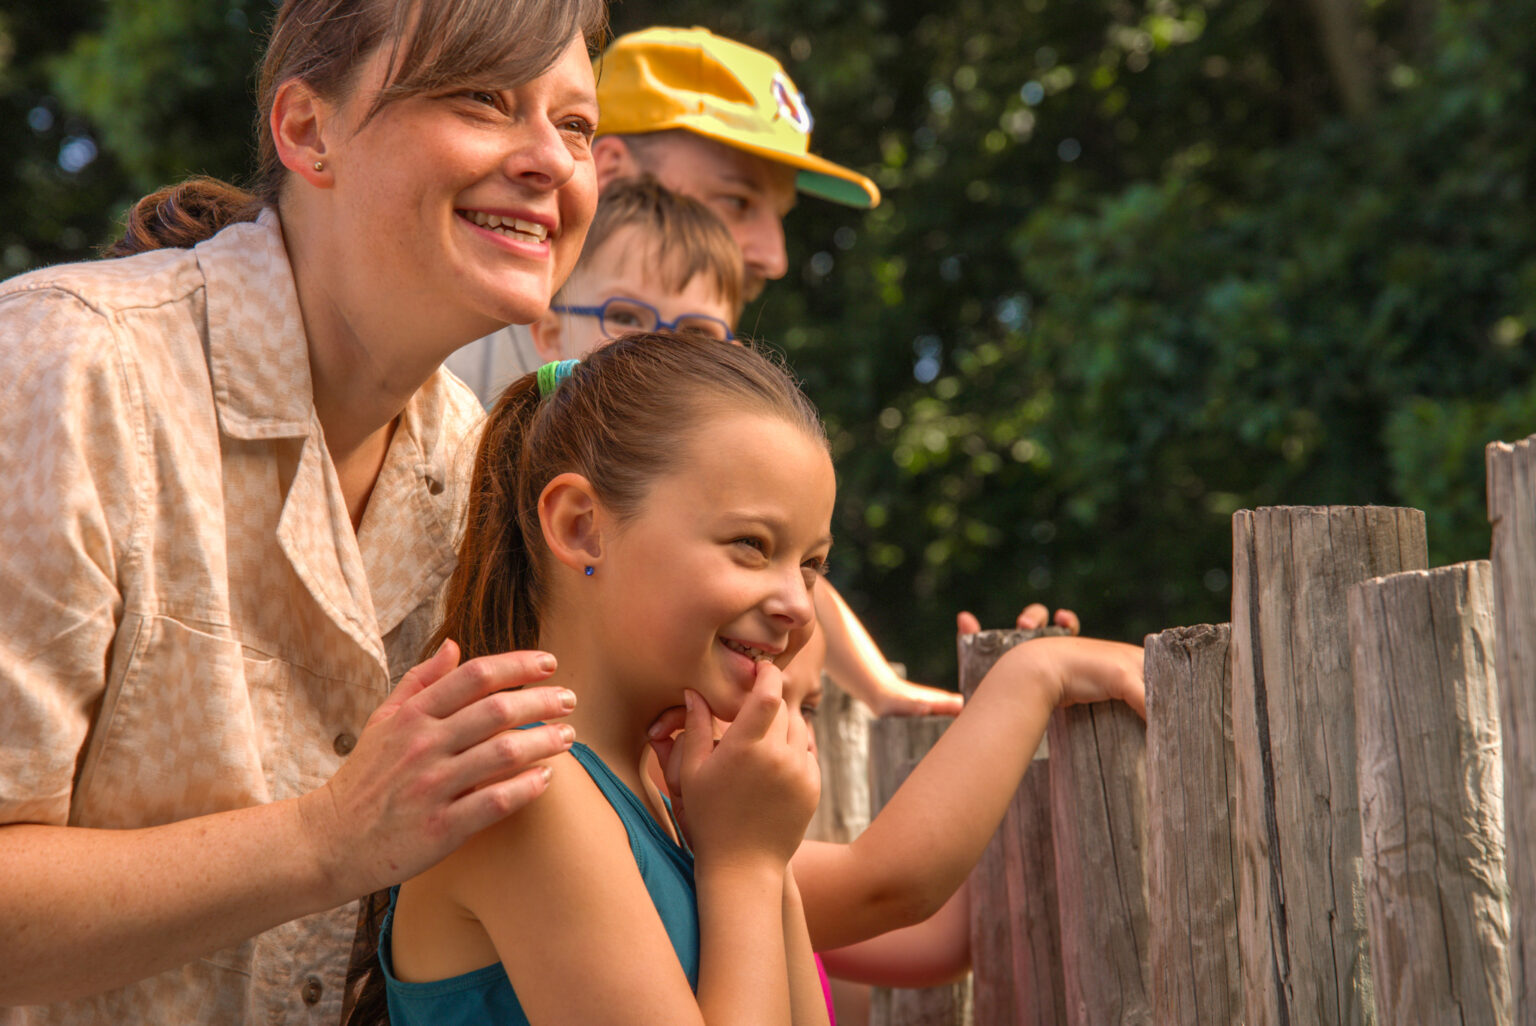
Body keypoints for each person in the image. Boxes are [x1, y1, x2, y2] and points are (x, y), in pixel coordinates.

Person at [0, 0, 605, 1021]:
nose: (552, 160)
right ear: (308, 129)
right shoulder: (64, 368)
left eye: (578, 125)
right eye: (483, 98)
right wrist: (328, 840)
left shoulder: (482, 474)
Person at [356, 333, 834, 1025]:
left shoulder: (664, 796)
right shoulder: (525, 789)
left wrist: (765, 855)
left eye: (811, 565)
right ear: (581, 528)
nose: (798, 604)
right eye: (751, 545)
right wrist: (747, 866)